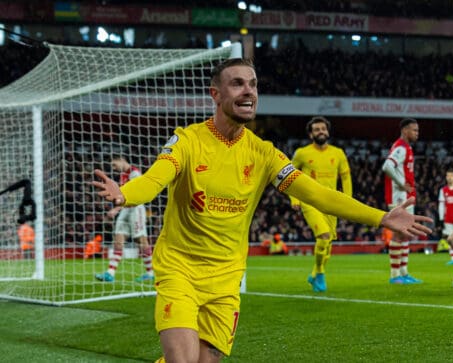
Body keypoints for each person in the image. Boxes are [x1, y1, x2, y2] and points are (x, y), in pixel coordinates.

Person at [91, 58, 432, 363]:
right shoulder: (188, 140)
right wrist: (125, 194)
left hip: (227, 279)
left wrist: (381, 216)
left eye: (253, 84)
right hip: (181, 270)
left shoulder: (265, 154)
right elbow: (155, 179)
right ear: (215, 94)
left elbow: (316, 193)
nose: (248, 91)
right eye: (237, 83)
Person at [290, 116, 352, 292]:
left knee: (329, 243)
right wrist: (294, 199)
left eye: (323, 129)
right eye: (317, 129)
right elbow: (289, 176)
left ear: (328, 131)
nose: (321, 132)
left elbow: (346, 177)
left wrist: (348, 200)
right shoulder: (302, 153)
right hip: (310, 201)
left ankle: (315, 274)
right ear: (311, 134)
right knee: (323, 235)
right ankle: (320, 273)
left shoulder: (338, 153)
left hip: (332, 202)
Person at [95, 156, 154, 283]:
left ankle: (150, 272)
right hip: (125, 210)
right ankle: (110, 273)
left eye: (114, 164)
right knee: (118, 240)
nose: (114, 168)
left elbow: (138, 195)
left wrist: (116, 209)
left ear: (121, 160)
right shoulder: (123, 175)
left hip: (136, 209)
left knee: (141, 240)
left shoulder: (134, 173)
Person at [381, 118, 422, 284]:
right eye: (414, 130)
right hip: (399, 198)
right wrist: (401, 183)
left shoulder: (406, 147)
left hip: (405, 198)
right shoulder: (401, 147)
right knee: (399, 233)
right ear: (405, 130)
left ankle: (404, 272)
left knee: (405, 233)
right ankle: (395, 275)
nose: (417, 133)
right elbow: (387, 166)